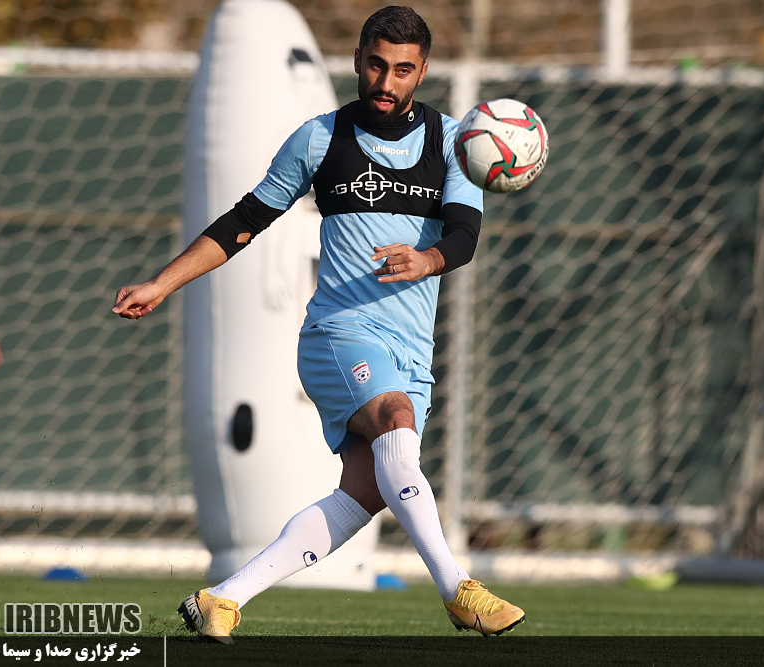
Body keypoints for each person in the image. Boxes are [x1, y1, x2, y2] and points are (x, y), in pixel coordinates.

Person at [112, 5, 524, 642]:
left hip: (410, 351)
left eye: (403, 70)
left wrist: (428, 259)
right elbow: (243, 222)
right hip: (339, 334)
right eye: (376, 65)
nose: (386, 81)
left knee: (366, 493)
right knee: (394, 420)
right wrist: (162, 283)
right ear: (358, 61)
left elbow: (464, 236)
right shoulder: (320, 138)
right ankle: (457, 589)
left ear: (422, 72)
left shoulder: (452, 143)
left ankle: (221, 600)